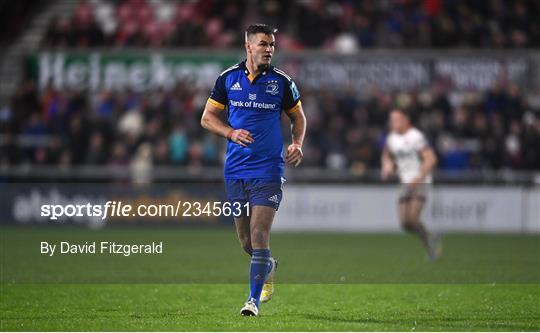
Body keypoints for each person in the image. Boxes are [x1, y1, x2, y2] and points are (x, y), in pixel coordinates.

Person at [200, 23, 306, 316]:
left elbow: (299, 118)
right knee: (247, 242)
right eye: (263, 44)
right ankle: (268, 265)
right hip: (235, 169)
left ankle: (252, 301)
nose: (269, 50)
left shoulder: (281, 82)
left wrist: (297, 143)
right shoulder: (228, 79)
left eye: (271, 45)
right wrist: (230, 133)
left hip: (269, 169)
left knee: (260, 235)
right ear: (248, 46)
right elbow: (207, 118)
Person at [381, 109, 442, 261]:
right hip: (404, 182)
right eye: (391, 119)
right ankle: (431, 236)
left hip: (420, 181)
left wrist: (419, 175)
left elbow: (431, 159)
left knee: (413, 219)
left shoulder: (416, 137)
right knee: (405, 223)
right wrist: (386, 167)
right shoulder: (392, 138)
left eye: (396, 119)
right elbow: (386, 156)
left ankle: (430, 248)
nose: (392, 123)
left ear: (405, 120)